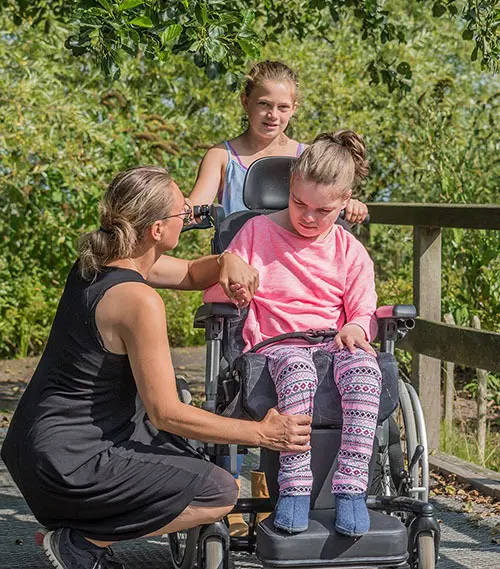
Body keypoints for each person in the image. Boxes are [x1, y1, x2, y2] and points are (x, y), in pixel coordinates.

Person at [0, 166, 312, 569]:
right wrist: (262, 433)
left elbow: (185, 272)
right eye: (182, 213)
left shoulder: (98, 262)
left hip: (33, 450)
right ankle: (82, 543)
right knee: (218, 492)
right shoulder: (139, 301)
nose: (190, 215)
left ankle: (81, 529)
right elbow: (166, 412)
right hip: (70, 464)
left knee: (183, 457)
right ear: (158, 230)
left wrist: (226, 260)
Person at [204, 131, 382, 537]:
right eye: (300, 203)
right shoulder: (255, 233)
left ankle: (351, 488)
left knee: (366, 374)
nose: (308, 217)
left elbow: (363, 306)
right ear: (290, 186)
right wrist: (231, 284)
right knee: (299, 371)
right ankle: (295, 487)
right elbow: (217, 293)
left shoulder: (349, 249)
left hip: (333, 343)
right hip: (276, 346)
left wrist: (356, 324)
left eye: (324, 210)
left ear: (345, 200)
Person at [189, 60, 368, 224]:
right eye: (263, 104)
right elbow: (195, 209)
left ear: (293, 109)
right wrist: (185, 209)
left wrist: (350, 205)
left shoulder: (308, 156)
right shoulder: (222, 156)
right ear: (245, 101)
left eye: (282, 107)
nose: (273, 115)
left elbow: (328, 199)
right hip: (238, 253)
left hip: (294, 255)